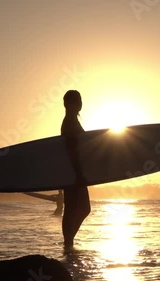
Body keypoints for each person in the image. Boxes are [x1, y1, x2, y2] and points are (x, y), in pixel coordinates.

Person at [61, 90, 91, 250]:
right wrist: (78, 173)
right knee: (76, 208)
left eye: (80, 101)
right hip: (73, 172)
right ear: (66, 104)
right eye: (76, 101)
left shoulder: (72, 121)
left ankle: (68, 243)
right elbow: (72, 150)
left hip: (73, 171)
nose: (79, 105)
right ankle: (68, 243)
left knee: (76, 208)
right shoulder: (69, 123)